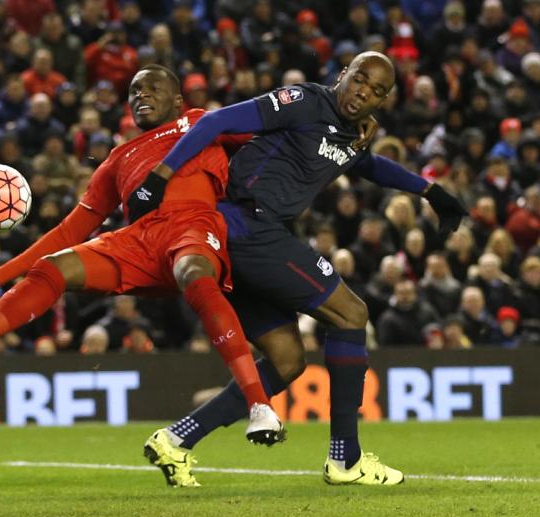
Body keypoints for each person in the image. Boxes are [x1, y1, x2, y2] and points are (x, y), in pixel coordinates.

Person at [0, 65, 315, 456]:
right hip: (139, 242)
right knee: (56, 265)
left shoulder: (202, 123)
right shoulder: (118, 159)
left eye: (152, 87)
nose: (141, 95)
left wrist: (343, 135)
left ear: (177, 98)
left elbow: (283, 128)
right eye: (134, 91)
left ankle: (259, 407)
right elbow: (70, 230)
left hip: (194, 224)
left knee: (193, 271)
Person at [127, 51, 467, 487]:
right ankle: (346, 458)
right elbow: (214, 122)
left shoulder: (350, 135)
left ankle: (177, 438)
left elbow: (370, 166)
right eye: (360, 79)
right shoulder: (305, 101)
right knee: (352, 314)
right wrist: (159, 176)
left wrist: (431, 191)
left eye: (377, 91)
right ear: (343, 73)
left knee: (287, 360)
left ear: (381, 102)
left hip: (245, 238)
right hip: (247, 225)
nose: (364, 92)